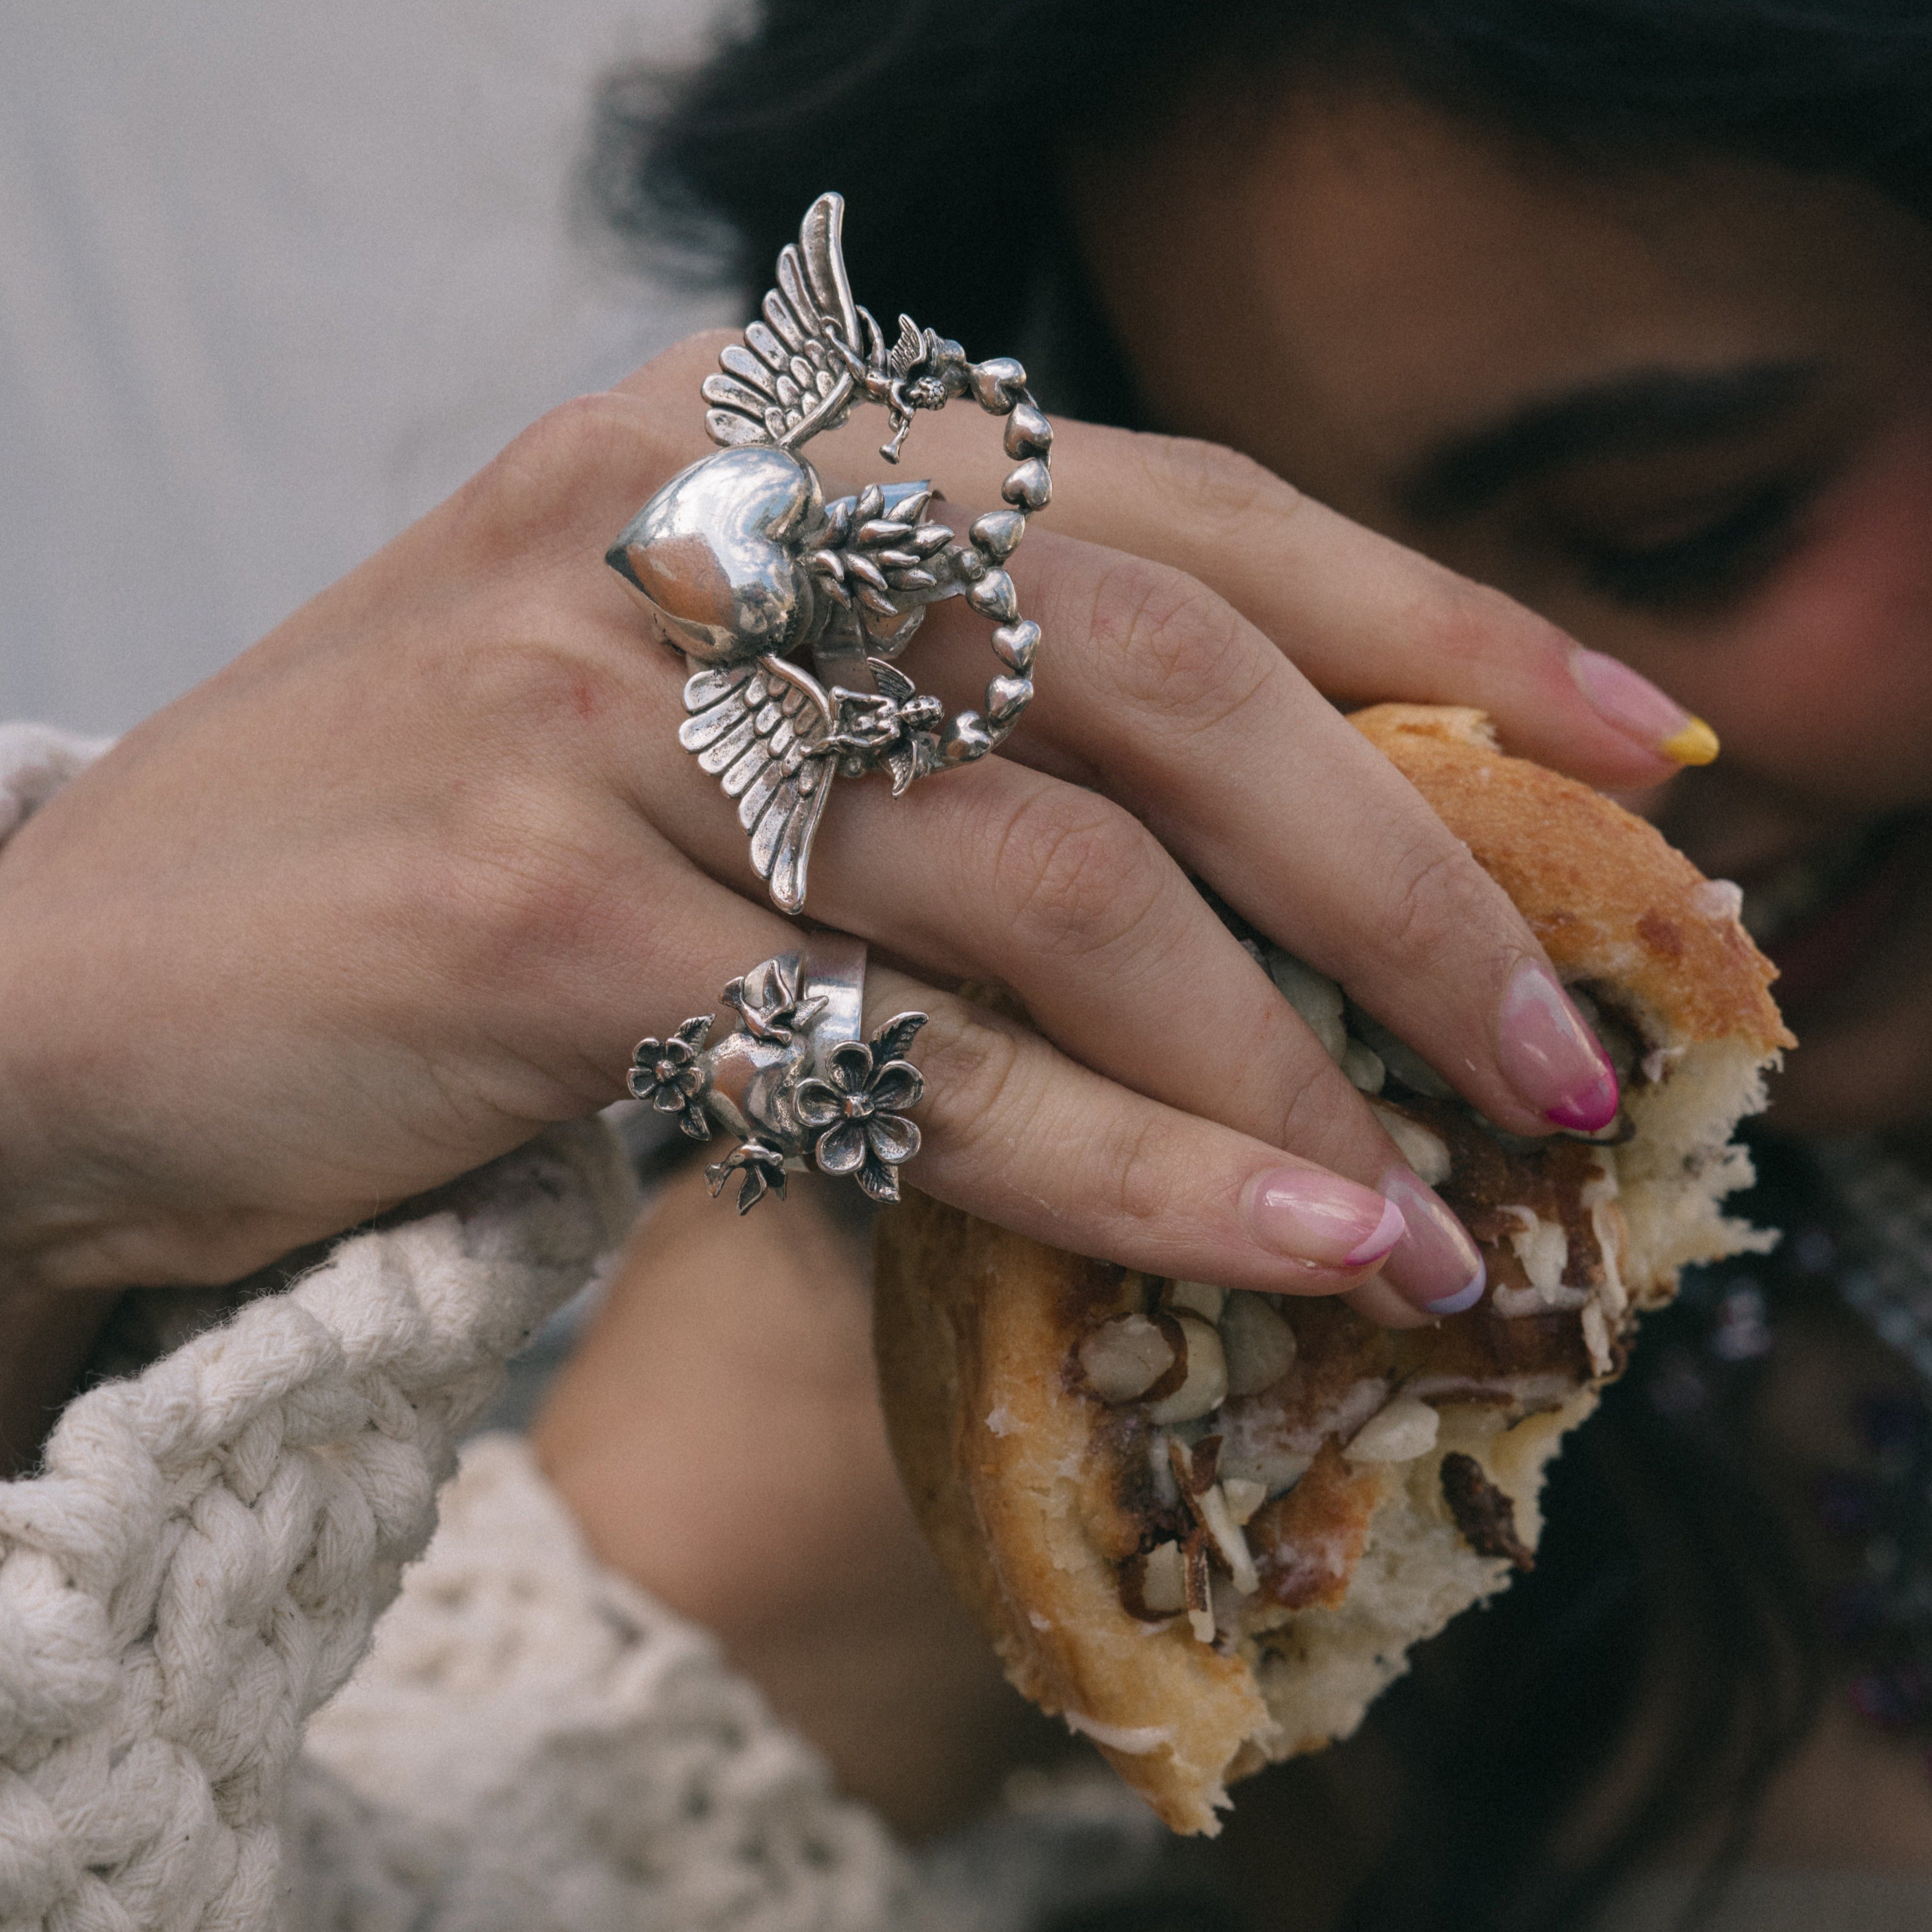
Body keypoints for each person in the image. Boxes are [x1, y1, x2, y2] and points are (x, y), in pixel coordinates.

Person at [2, 0, 1929, 1928]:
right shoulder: (1092, 1334)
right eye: (1272, 620)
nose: (1445, 770)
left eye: (1685, 526)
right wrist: (35, 1150)